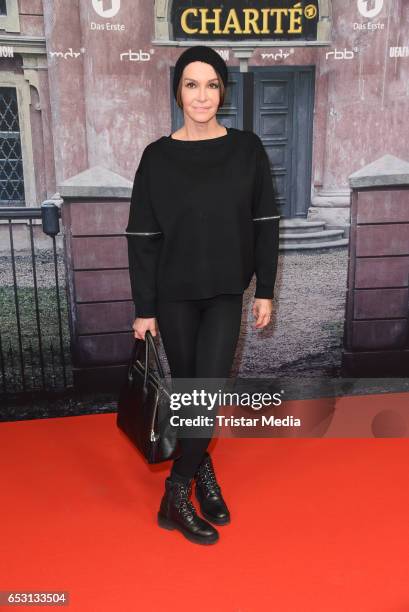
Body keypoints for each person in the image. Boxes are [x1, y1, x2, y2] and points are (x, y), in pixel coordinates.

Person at [125, 45, 280, 546]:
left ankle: (175, 491)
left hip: (223, 295)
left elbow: (264, 224)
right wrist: (144, 308)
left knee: (205, 395)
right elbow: (143, 238)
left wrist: (266, 289)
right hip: (172, 297)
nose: (202, 95)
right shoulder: (156, 157)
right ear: (178, 90)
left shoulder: (247, 149)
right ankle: (202, 471)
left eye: (211, 84)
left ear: (223, 91)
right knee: (193, 393)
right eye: (192, 84)